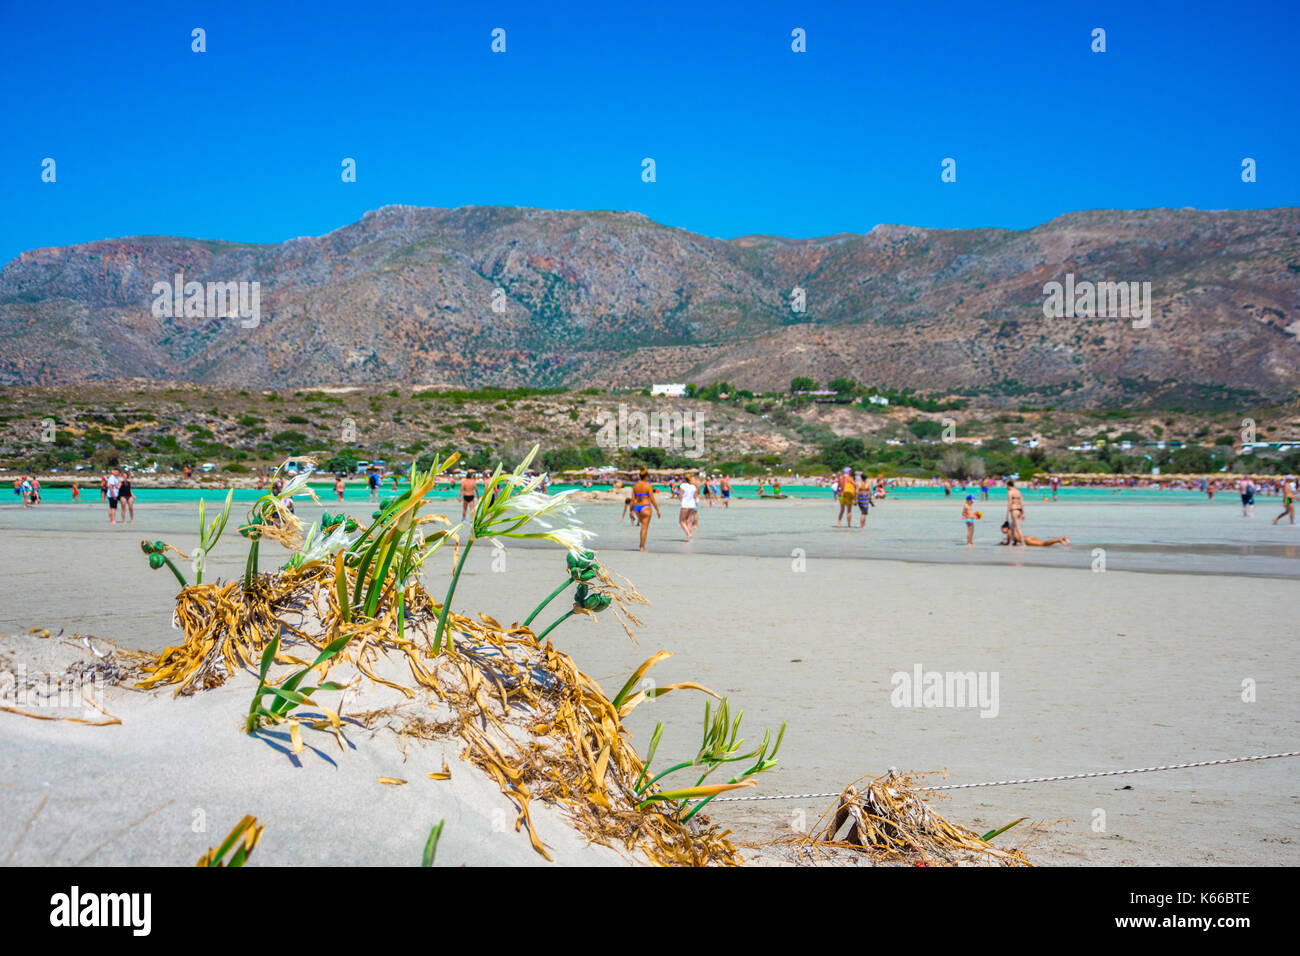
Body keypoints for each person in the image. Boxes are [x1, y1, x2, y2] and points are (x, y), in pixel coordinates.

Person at [631, 467, 660, 551]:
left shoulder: (635, 486)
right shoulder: (648, 486)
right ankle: (642, 547)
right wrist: (657, 510)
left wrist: (630, 511)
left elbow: (632, 500)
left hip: (637, 508)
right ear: (646, 476)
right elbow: (652, 499)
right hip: (646, 507)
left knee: (642, 527)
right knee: (644, 527)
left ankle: (641, 544)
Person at [999, 521, 1068, 547]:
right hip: (1029, 537)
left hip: (1027, 541)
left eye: (1002, 529)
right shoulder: (1013, 530)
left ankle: (1059, 539)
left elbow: (1011, 544)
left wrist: (1002, 544)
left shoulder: (1009, 533)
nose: (1002, 531)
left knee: (1043, 544)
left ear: (1006, 528)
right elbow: (1014, 542)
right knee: (1043, 543)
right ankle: (1060, 540)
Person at [678, 473, 699, 541]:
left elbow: (680, 495)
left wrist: (681, 500)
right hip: (692, 505)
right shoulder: (693, 486)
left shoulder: (683, 485)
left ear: (685, 479)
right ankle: (688, 536)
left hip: (685, 505)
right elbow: (695, 496)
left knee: (681, 521)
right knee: (688, 521)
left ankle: (689, 534)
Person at [1005, 478, 1025, 545]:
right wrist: (1023, 513)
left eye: (1006, 486)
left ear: (1008, 485)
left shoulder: (1010, 492)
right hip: (1019, 510)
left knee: (1018, 527)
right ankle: (1011, 542)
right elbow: (1022, 503)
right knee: (1012, 527)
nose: (1006, 487)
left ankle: (1023, 543)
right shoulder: (1018, 491)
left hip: (1014, 510)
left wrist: (1007, 514)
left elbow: (1010, 502)